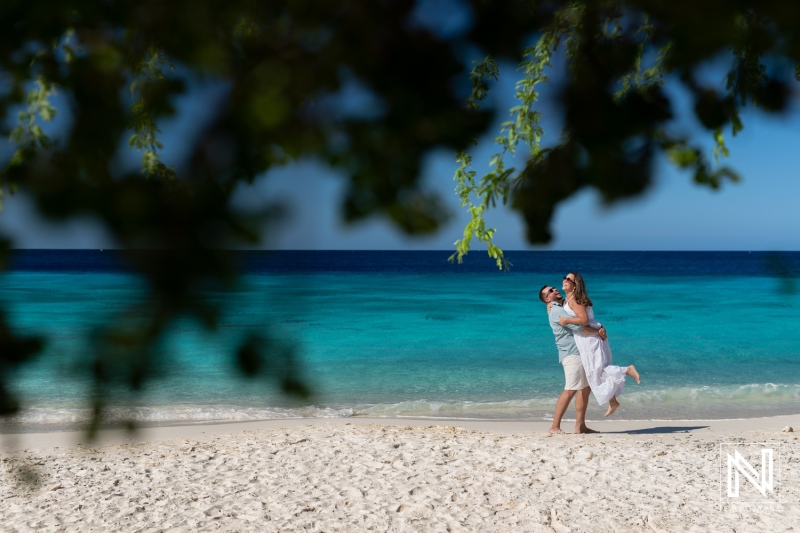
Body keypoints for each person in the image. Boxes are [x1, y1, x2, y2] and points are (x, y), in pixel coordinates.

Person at [558, 272, 640, 417]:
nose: (565, 280)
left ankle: (627, 369)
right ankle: (612, 401)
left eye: (568, 279)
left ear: (575, 284)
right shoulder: (568, 300)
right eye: (564, 277)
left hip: (590, 338)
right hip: (586, 337)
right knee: (596, 371)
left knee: (597, 370)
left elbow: (583, 320)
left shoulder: (574, 300)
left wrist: (566, 321)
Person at [538, 284, 606, 434]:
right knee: (570, 389)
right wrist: (598, 332)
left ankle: (580, 426)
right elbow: (579, 327)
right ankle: (554, 426)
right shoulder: (556, 310)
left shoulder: (559, 307)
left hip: (578, 352)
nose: (555, 290)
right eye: (550, 291)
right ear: (548, 299)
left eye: (554, 288)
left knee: (585, 388)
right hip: (571, 354)